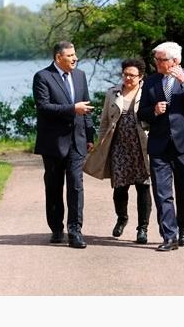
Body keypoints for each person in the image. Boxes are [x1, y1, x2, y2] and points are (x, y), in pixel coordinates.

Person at [138, 42, 184, 252]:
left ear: (175, 61)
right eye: (156, 59)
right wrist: (154, 111)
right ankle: (169, 236)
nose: (157, 63)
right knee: (162, 192)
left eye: (161, 60)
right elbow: (141, 113)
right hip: (159, 144)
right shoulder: (151, 81)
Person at [33, 41, 95, 249]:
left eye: (75, 54)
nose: (75, 58)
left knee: (76, 186)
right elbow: (44, 107)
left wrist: (89, 136)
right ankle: (57, 229)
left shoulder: (80, 76)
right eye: (70, 55)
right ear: (59, 57)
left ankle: (75, 231)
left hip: (77, 142)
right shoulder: (42, 77)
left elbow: (85, 106)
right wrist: (72, 109)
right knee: (54, 187)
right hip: (53, 143)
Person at [84, 58, 152, 244]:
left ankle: (142, 228)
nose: (128, 78)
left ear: (141, 77)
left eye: (132, 75)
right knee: (120, 187)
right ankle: (122, 218)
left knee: (143, 187)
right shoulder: (112, 93)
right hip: (119, 147)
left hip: (142, 147)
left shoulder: (148, 92)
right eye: (125, 74)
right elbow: (104, 121)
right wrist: (100, 143)